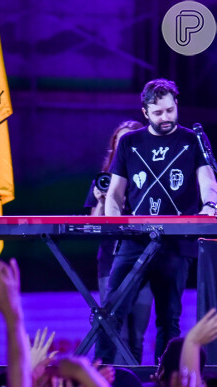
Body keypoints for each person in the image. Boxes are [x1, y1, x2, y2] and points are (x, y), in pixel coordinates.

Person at [95, 78, 217, 364]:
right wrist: (116, 226)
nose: (166, 118)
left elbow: (207, 181)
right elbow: (115, 193)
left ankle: (168, 377)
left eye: (170, 110)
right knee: (110, 310)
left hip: (175, 243)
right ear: (145, 112)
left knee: (169, 317)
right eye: (159, 112)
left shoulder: (192, 139)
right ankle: (100, 374)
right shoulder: (129, 142)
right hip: (134, 240)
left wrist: (210, 204)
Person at [85, 120, 153, 364]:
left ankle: (133, 380)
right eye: (120, 142)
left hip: (144, 262)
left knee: (137, 335)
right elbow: (93, 226)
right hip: (111, 263)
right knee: (116, 331)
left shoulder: (150, 180)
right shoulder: (102, 180)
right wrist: (103, 201)